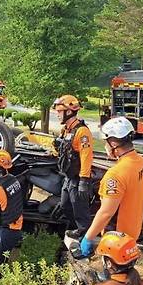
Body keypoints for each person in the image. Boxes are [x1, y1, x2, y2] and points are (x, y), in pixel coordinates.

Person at [80, 117, 143, 257]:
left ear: (113, 144)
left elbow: (106, 213)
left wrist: (88, 238)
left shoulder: (115, 175)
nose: (105, 146)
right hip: (133, 233)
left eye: (106, 143)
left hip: (116, 240)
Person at [52, 95, 94, 240]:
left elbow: (86, 156)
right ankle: (75, 228)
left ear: (69, 112)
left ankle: (85, 235)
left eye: (59, 111)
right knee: (65, 205)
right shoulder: (66, 130)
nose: (57, 114)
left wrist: (84, 180)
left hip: (77, 178)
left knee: (80, 209)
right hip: (68, 177)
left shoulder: (82, 132)